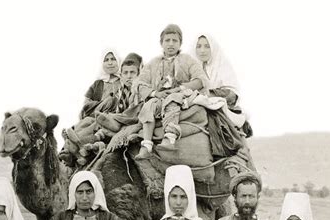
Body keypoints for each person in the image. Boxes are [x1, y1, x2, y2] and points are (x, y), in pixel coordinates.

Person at [133, 24, 208, 159]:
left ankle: (170, 137)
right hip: (160, 97)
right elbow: (139, 83)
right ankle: (146, 145)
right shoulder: (153, 63)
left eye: (175, 40)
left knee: (173, 99)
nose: (171, 44)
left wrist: (180, 88)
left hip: (182, 96)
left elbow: (200, 79)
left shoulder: (188, 60)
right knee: (148, 105)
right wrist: (155, 93)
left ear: (180, 43)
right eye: (167, 40)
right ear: (161, 43)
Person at [195, 33, 252, 136]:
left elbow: (232, 94)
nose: (202, 50)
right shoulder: (195, 67)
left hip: (222, 103)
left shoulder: (222, 64)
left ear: (213, 48)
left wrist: (209, 95)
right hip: (201, 102)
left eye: (207, 46)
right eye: (199, 46)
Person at [95, 52, 144, 133]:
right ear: (121, 75)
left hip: (136, 119)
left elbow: (136, 113)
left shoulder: (140, 89)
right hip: (123, 118)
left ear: (138, 74)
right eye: (125, 73)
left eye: (132, 72)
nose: (129, 76)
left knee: (138, 108)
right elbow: (119, 109)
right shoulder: (122, 90)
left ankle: (114, 120)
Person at [80, 50, 121, 119]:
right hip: (97, 116)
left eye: (113, 59)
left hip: (116, 117)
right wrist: (103, 104)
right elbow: (86, 104)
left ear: (118, 61)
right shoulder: (98, 83)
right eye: (106, 60)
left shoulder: (123, 81)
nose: (110, 63)